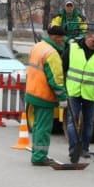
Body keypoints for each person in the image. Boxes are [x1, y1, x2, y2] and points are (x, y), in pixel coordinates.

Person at [62, 29, 94, 162]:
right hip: (74, 90)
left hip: (90, 93)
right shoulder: (73, 48)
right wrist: (61, 84)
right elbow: (63, 66)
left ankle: (84, 149)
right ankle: (74, 149)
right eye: (93, 41)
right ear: (86, 38)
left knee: (88, 123)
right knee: (72, 122)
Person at [25, 25, 68, 166]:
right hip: (44, 96)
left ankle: (36, 154)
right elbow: (56, 80)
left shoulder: (37, 46)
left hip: (33, 92)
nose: (63, 43)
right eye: (61, 40)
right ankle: (39, 157)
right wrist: (62, 98)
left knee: (37, 126)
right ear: (55, 38)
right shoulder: (52, 54)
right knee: (43, 128)